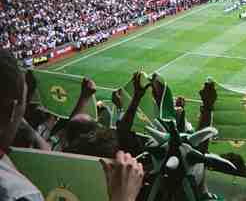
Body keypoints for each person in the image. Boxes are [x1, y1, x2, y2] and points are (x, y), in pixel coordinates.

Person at [0, 49, 144, 201]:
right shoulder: (21, 195)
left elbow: (56, 146)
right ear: (10, 112)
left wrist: (84, 97)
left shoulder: (21, 168)